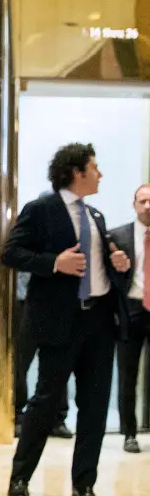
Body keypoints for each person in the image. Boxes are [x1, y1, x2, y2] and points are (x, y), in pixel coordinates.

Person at [2, 144, 132, 496]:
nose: (100, 174)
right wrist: (53, 263)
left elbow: (96, 264)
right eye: (95, 167)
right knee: (44, 404)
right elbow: (10, 253)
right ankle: (20, 476)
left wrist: (116, 262)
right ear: (77, 171)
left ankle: (84, 485)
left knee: (92, 407)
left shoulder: (95, 215)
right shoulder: (41, 209)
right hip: (61, 322)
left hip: (100, 322)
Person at [111, 184, 150, 453]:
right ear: (134, 204)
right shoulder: (117, 236)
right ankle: (129, 434)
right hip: (131, 310)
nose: (148, 206)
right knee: (128, 375)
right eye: (143, 201)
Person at [13, 269, 72, 439]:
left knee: (57, 360)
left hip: (54, 300)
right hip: (22, 299)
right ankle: (16, 414)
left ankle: (57, 418)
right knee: (19, 360)